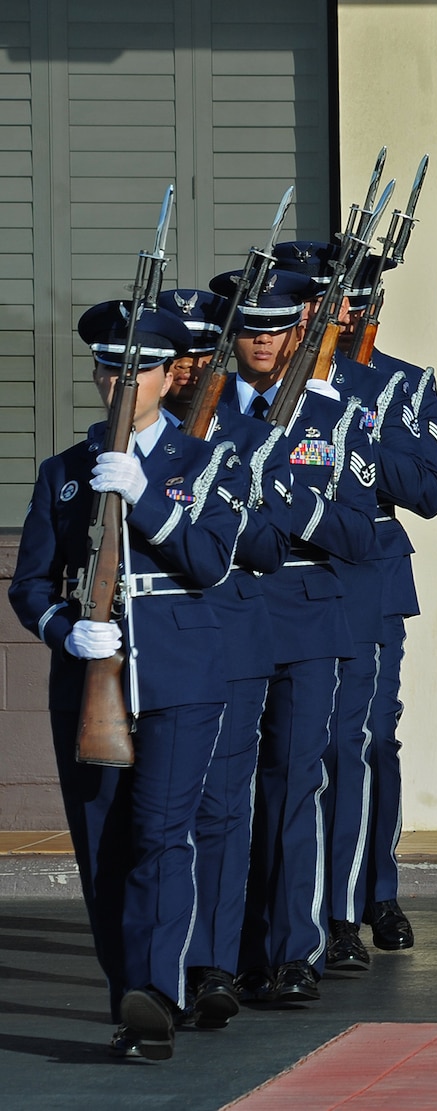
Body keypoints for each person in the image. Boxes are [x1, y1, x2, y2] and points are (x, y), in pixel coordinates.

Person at [9, 302, 245, 1059]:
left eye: (138, 368)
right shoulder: (64, 472)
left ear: (169, 375)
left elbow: (210, 561)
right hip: (90, 682)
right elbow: (30, 584)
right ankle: (131, 1001)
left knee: (160, 835)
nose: (121, 380)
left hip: (181, 673)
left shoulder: (206, 461)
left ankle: (158, 988)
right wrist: (63, 629)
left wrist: (143, 494)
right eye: (110, 367)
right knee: (104, 845)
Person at [208, 266, 380, 1006]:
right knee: (221, 793)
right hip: (231, 609)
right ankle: (217, 957)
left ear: (298, 332)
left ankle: (290, 950)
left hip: (308, 610)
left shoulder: (332, 416)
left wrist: (288, 504)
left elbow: (359, 533)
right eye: (249, 327)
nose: (262, 341)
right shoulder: (203, 414)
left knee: (293, 784)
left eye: (276, 327)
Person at [157, 287, 293, 1029]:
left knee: (219, 807)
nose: (184, 371)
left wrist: (217, 506)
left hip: (232, 639)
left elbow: (270, 545)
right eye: (171, 358)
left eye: (196, 356)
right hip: (156, 644)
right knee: (158, 816)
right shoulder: (130, 443)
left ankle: (214, 963)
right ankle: (157, 965)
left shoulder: (248, 436)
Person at [326, 251, 437, 957]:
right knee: (316, 745)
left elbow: (431, 493)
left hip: (371, 575)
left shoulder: (403, 385)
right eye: (334, 299)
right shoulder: (283, 384)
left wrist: (362, 431)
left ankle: (377, 891)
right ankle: (325, 907)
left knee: (369, 739)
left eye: (355, 299)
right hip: (293, 576)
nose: (346, 311)